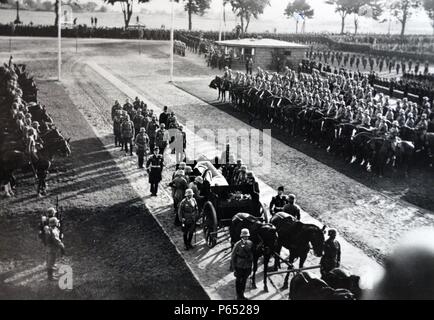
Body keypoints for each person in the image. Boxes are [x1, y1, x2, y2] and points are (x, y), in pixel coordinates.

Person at [231, 228, 254, 300]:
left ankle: (242, 294)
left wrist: (251, 262)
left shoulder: (250, 243)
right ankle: (238, 295)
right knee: (238, 281)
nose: (246, 237)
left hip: (247, 265)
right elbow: (233, 256)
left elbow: (252, 253)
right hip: (239, 265)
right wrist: (234, 268)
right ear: (241, 236)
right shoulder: (237, 244)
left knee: (244, 280)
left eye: (247, 236)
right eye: (244, 236)